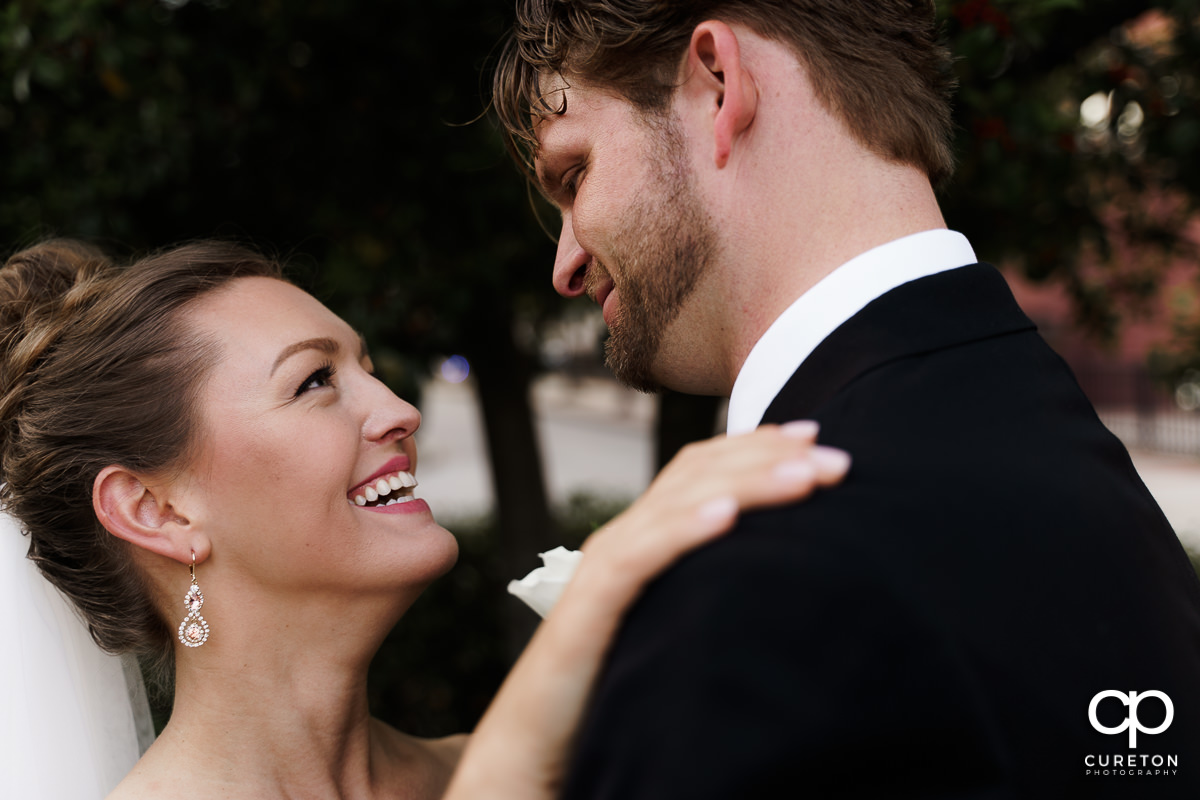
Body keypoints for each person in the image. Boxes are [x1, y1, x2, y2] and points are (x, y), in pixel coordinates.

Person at [493, 1, 1200, 796]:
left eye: (575, 172)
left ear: (720, 83)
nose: (565, 263)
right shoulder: (1068, 450)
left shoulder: (768, 584)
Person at [0, 238, 850, 799]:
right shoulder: (510, 765)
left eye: (368, 367)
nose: (399, 409)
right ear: (155, 508)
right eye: (313, 382)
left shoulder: (487, 766)